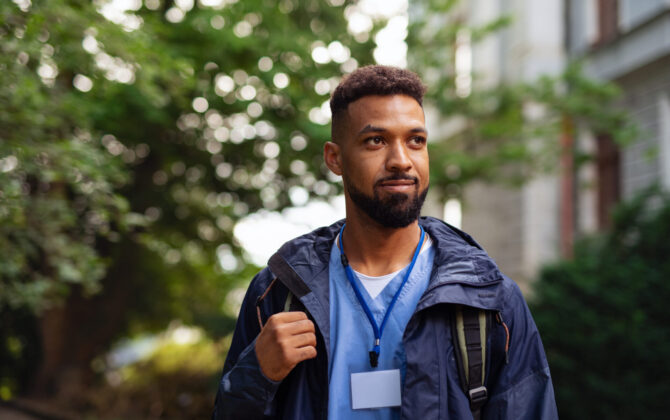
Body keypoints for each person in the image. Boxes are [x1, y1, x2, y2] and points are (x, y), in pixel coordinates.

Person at [212, 65, 558, 419]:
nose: (401, 161)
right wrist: (256, 375)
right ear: (335, 158)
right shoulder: (277, 293)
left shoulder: (490, 300)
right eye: (376, 141)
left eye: (415, 141)